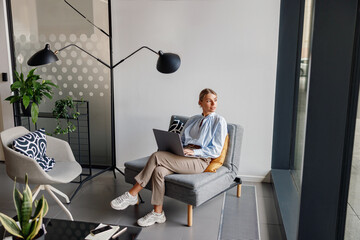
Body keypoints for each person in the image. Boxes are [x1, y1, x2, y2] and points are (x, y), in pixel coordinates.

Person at [110, 88, 228, 227]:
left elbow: (216, 150)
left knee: (156, 156)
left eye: (215, 100)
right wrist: (176, 147)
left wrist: (194, 153)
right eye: (209, 100)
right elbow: (182, 139)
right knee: (159, 171)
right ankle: (158, 213)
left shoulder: (219, 121)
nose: (213, 104)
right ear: (200, 102)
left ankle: (132, 194)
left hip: (199, 160)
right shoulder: (193, 119)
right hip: (182, 155)